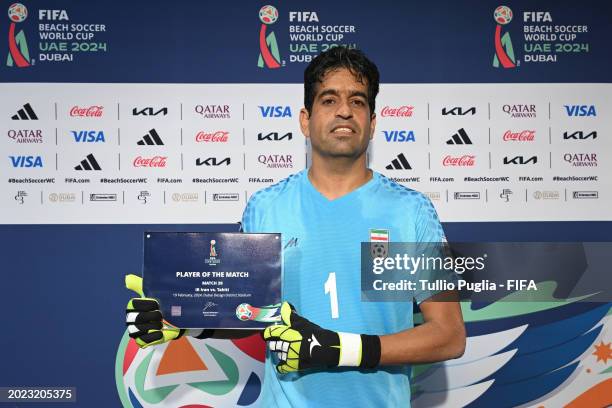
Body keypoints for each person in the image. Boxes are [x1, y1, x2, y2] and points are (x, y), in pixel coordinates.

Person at [126, 47, 465, 407]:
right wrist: (181, 320)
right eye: (329, 99)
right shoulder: (266, 206)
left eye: (358, 101)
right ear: (305, 119)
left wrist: (340, 350)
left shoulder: (409, 211)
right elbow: (245, 310)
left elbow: (449, 335)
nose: (345, 111)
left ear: (373, 121)